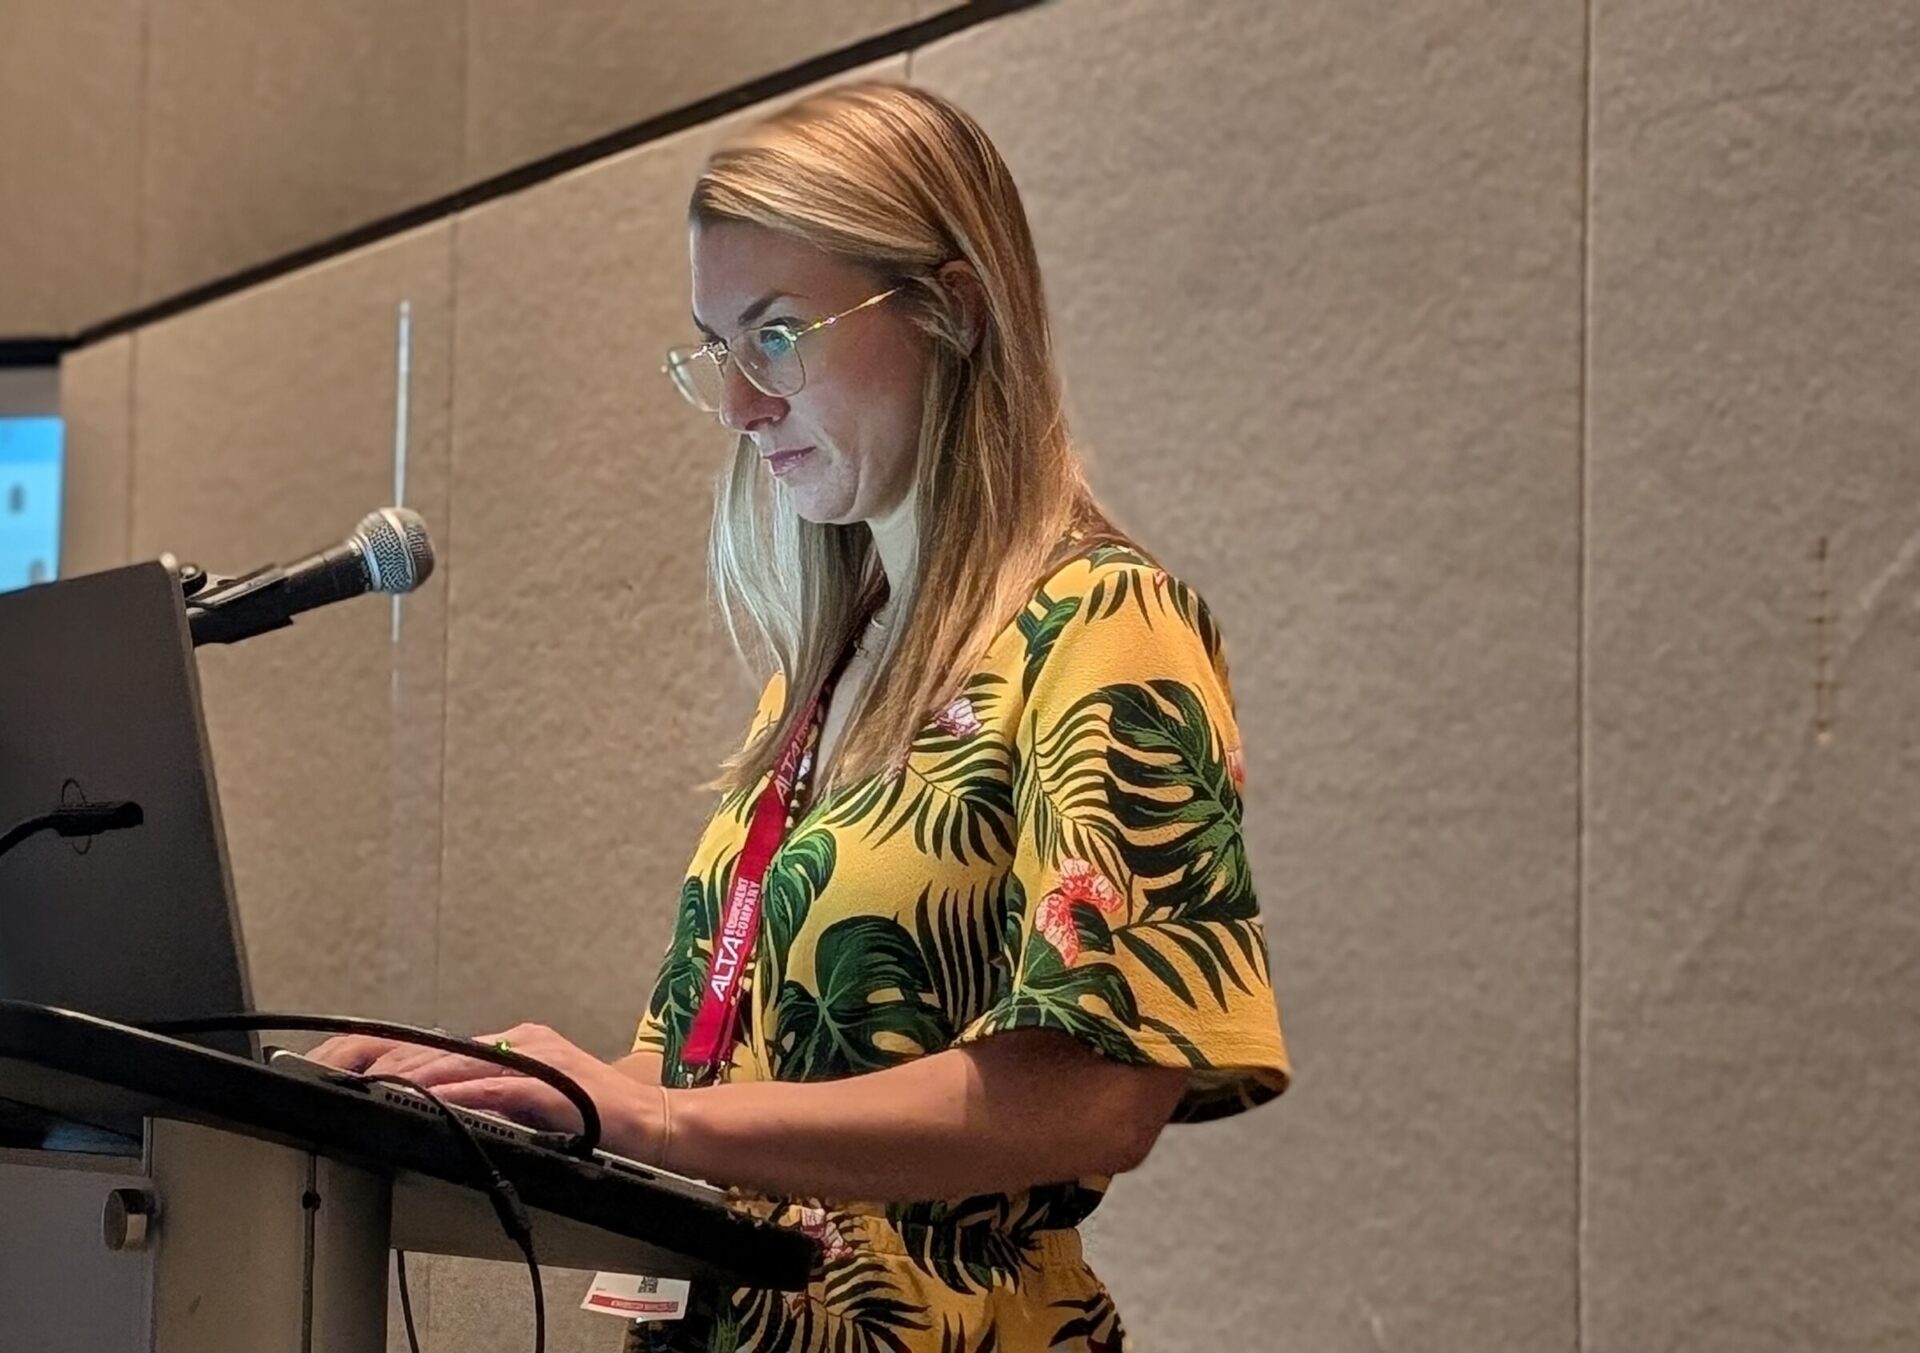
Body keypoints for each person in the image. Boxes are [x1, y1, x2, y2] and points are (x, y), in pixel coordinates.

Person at [312, 80, 1290, 1351]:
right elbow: (706, 1074)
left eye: (777, 336)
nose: (737, 406)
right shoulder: (825, 673)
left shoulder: (1105, 627)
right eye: (717, 349)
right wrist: (514, 1093)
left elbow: (1101, 1090)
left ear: (952, 306)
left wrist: (651, 1122)